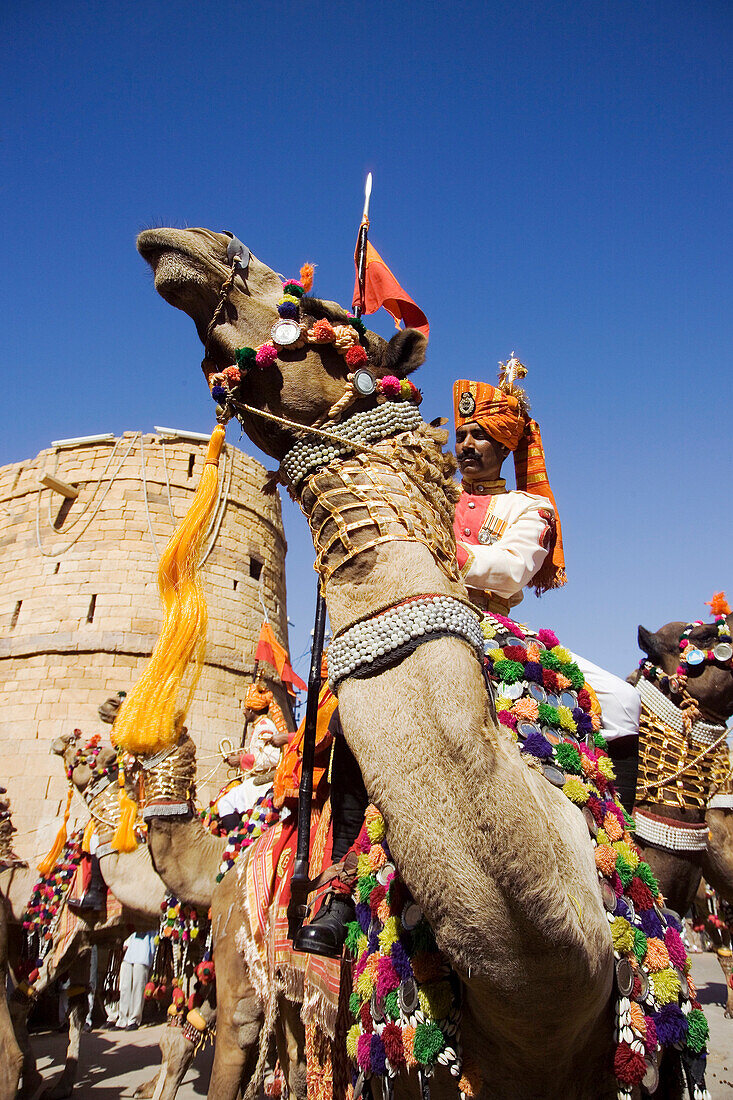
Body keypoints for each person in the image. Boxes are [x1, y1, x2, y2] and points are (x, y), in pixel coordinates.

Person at [452, 364, 641, 805]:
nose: (465, 446)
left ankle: (618, 829)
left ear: (504, 447)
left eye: (478, 436)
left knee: (623, 699)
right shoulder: (431, 489)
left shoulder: (531, 507)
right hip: (421, 613)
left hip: (491, 628)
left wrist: (445, 554)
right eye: (461, 436)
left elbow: (514, 569)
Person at [217, 681, 292, 834]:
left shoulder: (265, 726)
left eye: (246, 709)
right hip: (255, 781)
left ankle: (234, 841)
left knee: (225, 802)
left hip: (263, 784)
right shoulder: (260, 725)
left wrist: (242, 760)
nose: (244, 712)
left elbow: (272, 757)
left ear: (252, 710)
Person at [115, 929, 155, 1030]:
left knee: (138, 986)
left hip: (144, 948)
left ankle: (134, 1019)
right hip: (130, 949)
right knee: (125, 986)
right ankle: (122, 1019)